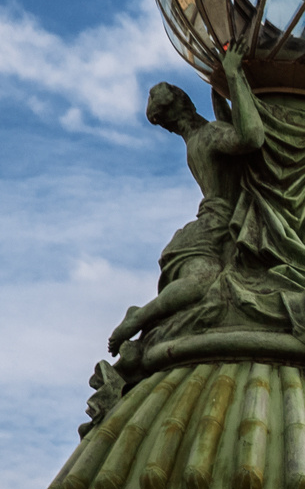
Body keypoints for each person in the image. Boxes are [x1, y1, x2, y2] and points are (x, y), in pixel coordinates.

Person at [110, 46, 263, 353]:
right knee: (201, 282)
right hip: (217, 226)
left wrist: (220, 86)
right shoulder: (207, 138)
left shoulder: (198, 139)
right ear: (185, 102)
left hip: (209, 225)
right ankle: (139, 316)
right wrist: (231, 74)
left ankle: (143, 316)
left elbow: (226, 122)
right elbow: (251, 137)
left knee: (202, 283)